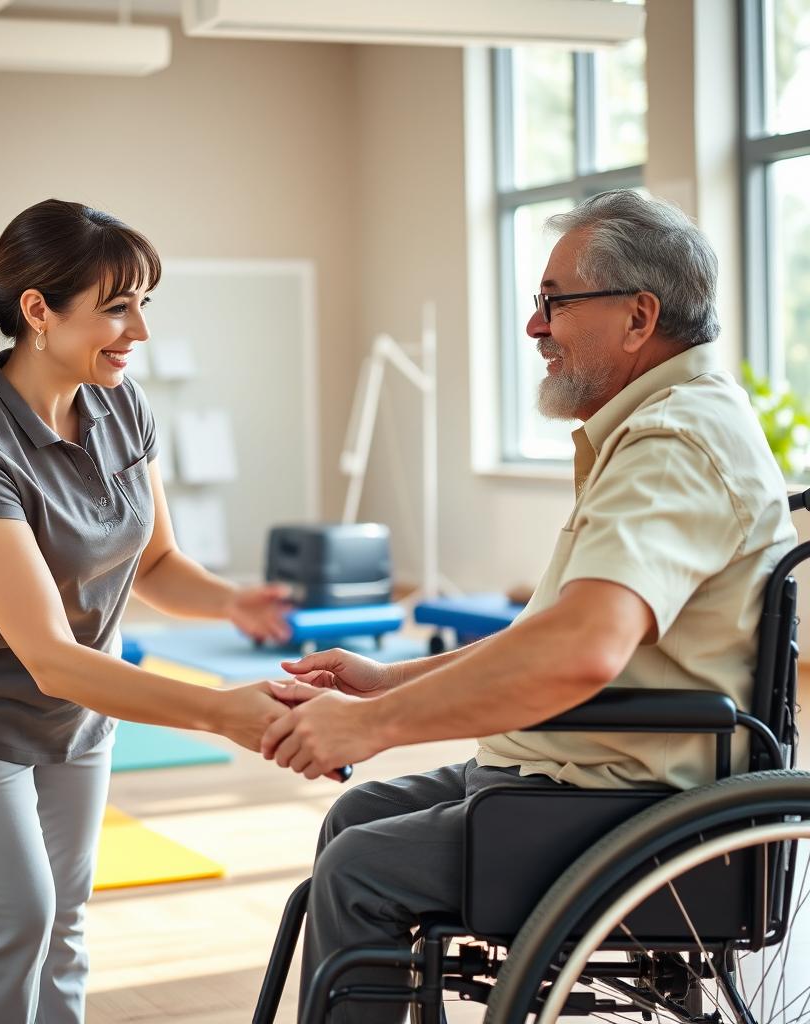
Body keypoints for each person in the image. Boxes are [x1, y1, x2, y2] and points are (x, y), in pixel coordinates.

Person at [262, 189, 798, 1024]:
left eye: (555, 301)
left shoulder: (672, 446)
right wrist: (388, 682)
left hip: (628, 799)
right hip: (586, 771)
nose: (534, 326)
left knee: (361, 869)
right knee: (359, 817)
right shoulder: (656, 426)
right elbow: (548, 635)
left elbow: (580, 654)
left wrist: (376, 728)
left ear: (638, 315)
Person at [0, 198, 297, 1024]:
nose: (138, 331)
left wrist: (233, 602)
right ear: (38, 311)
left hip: (79, 717)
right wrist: (221, 714)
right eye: (118, 307)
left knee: (68, 922)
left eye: (144, 303)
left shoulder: (122, 406)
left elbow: (156, 564)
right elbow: (49, 654)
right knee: (16, 918)